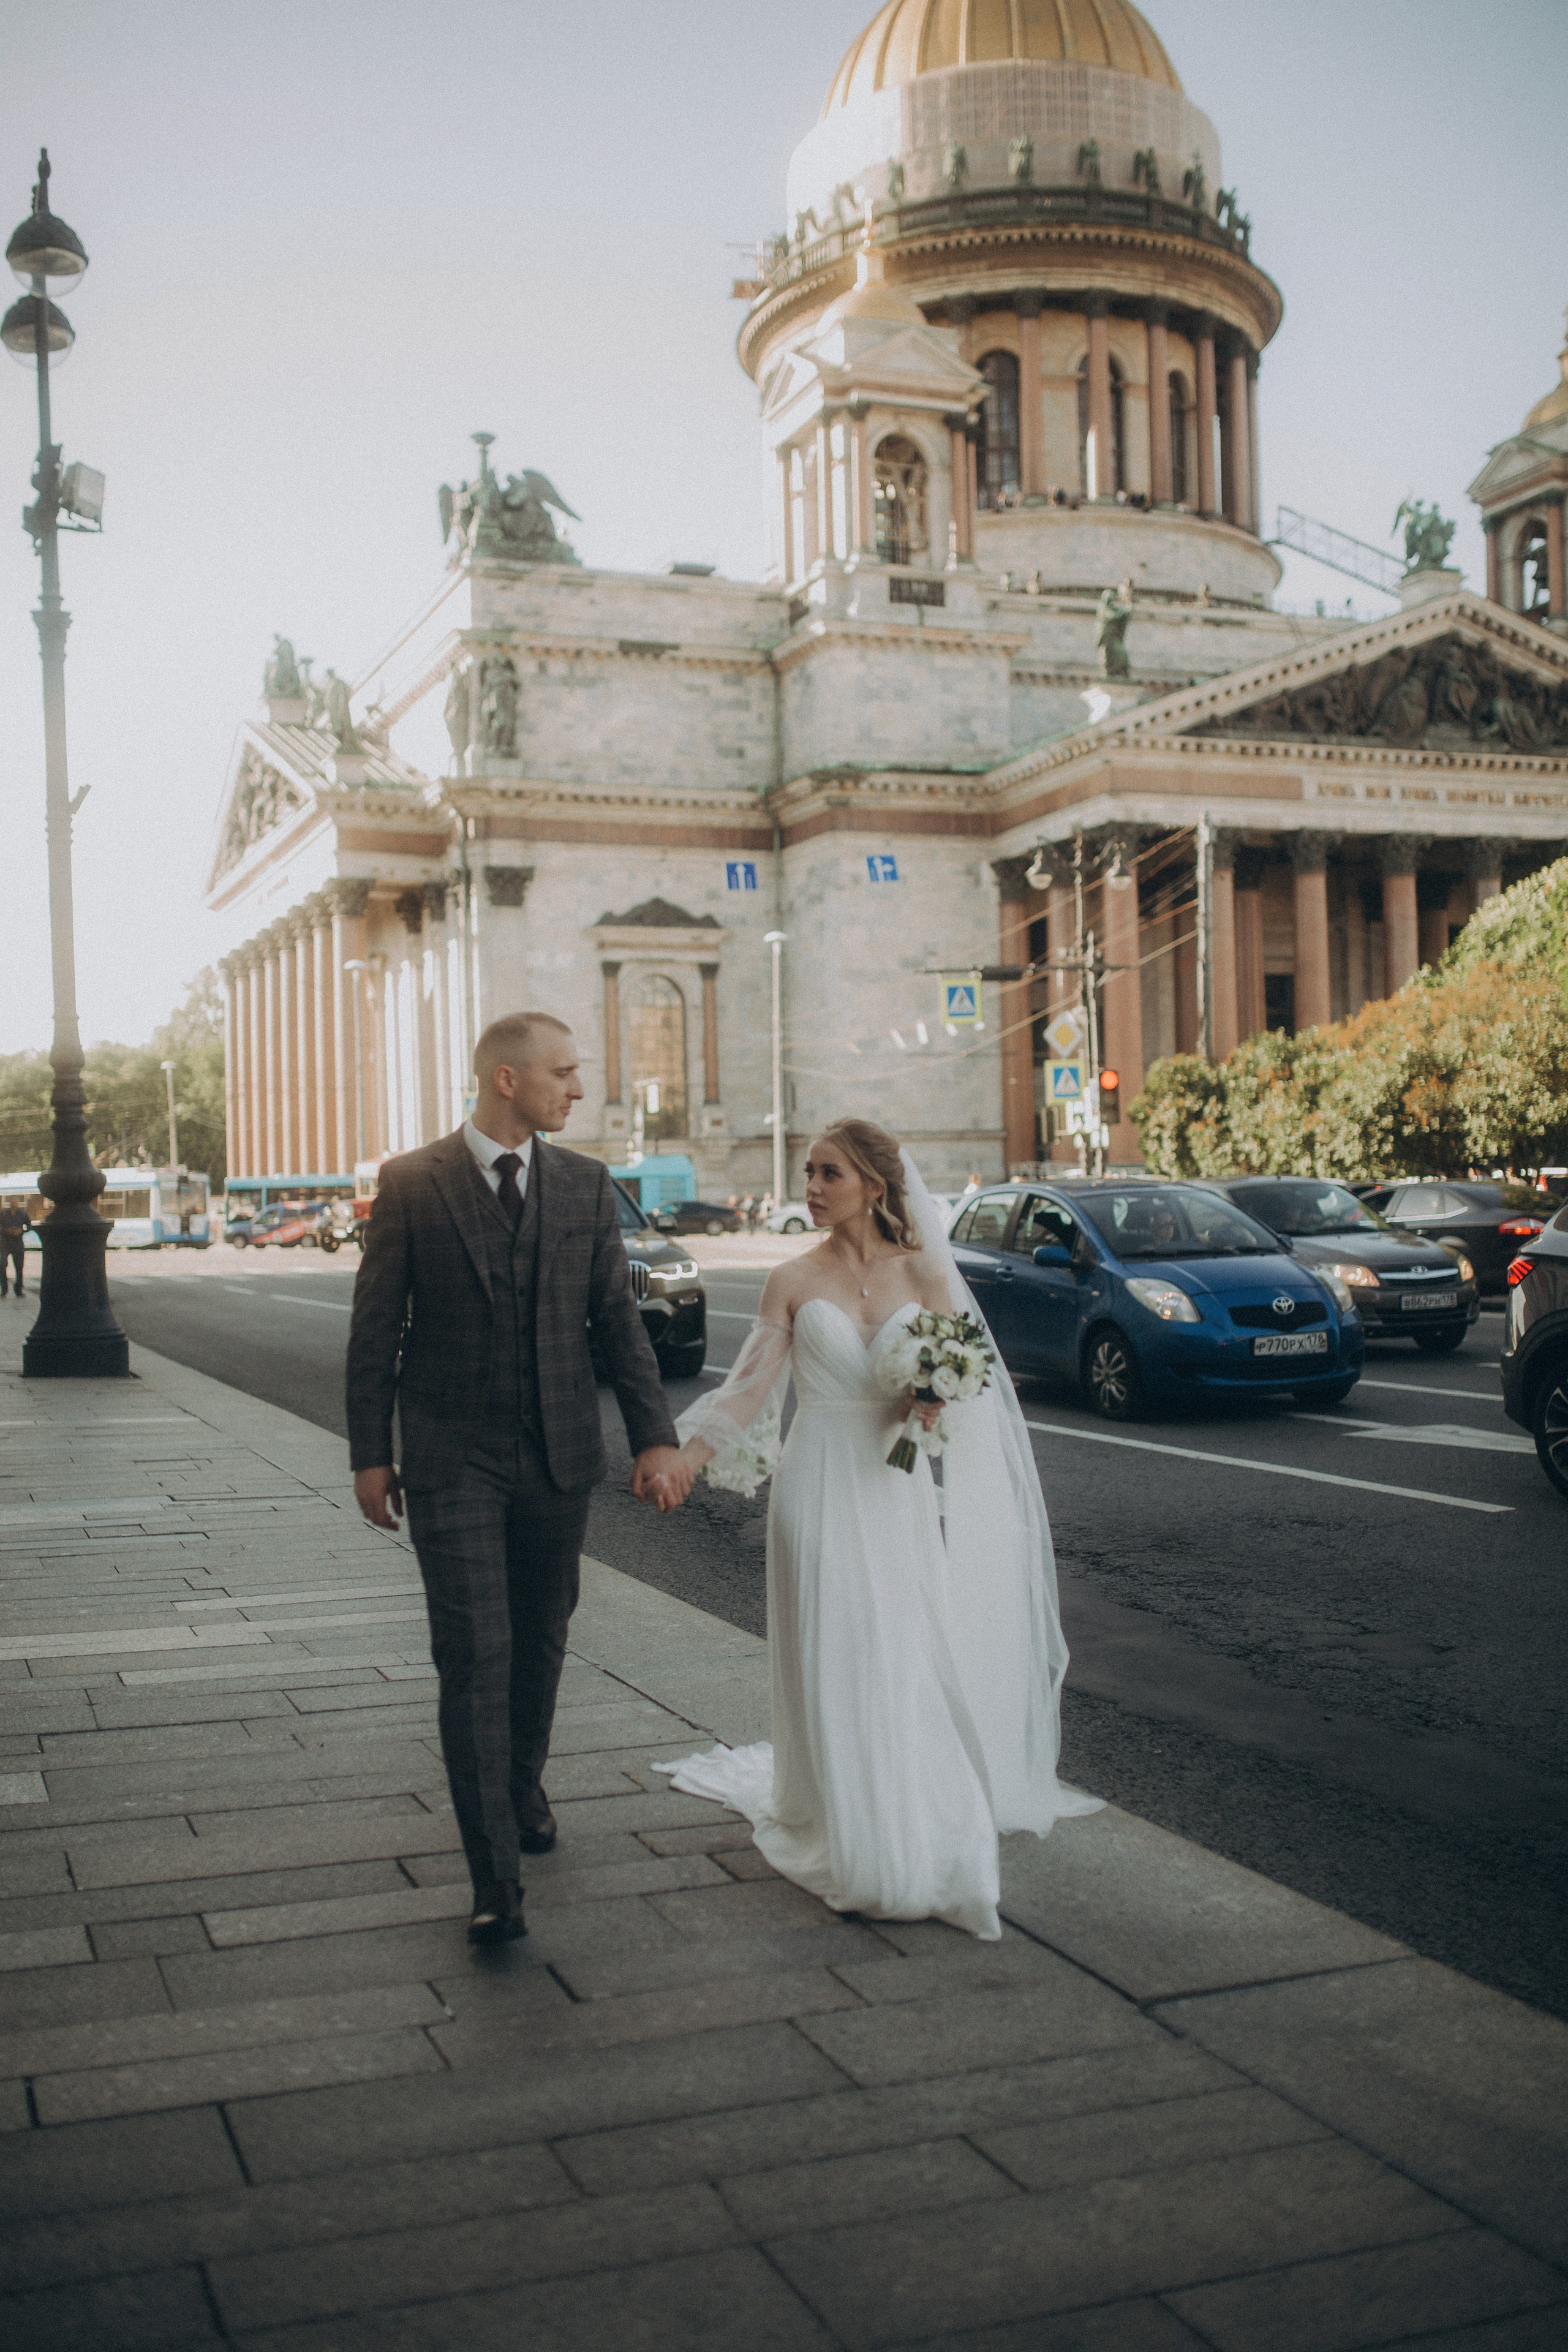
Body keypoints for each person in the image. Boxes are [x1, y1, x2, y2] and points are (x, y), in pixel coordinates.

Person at [646, 1117, 1100, 1940]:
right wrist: (685, 1458)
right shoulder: (790, 1278)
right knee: (836, 1643)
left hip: (895, 1485)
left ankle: (907, 1801)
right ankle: (848, 1823)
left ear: (875, 1185)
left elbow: (968, 1384)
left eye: (830, 1174)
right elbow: (748, 1388)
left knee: (900, 1646)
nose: (813, 1188)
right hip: (817, 1481)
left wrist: (934, 1398)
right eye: (808, 1173)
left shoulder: (924, 1271)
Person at [346, 1012, 682, 1946]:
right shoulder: (412, 1183)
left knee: (539, 1640)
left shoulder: (584, 1184)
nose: (578, 1089)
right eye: (563, 1072)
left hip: (557, 1457)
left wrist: (655, 1439)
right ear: (506, 1078)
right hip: (451, 1460)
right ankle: (494, 1877)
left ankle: (522, 1781)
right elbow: (376, 1328)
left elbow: (617, 1322)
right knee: (473, 1655)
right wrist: (370, 1452)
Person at [0, 1200, 31, 1297]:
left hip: (18, 1244)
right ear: (10, 1203)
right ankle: (4, 1288)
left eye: (16, 1202)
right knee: (2, 1265)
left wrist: (22, 1231)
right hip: (5, 1243)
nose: (14, 1204)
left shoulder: (22, 1214)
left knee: (19, 1267)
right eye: (12, 1202)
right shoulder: (3, 1214)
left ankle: (18, 1289)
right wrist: (5, 1231)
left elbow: (29, 1225)